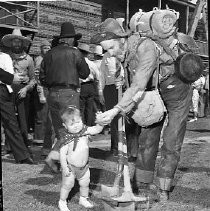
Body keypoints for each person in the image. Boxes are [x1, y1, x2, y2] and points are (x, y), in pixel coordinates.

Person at [92, 9, 204, 202]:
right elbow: (135, 80)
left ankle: (163, 187)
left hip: (176, 88)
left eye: (110, 48)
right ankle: (143, 184)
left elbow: (139, 82)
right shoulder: (125, 51)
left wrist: (116, 109)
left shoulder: (145, 47)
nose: (110, 53)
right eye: (106, 50)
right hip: (154, 90)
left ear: (121, 39)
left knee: (172, 138)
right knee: (148, 136)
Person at [39, 22, 90, 171]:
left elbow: (41, 77)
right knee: (72, 128)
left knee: (61, 131)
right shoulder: (75, 52)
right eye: (74, 38)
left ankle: (58, 159)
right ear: (70, 39)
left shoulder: (49, 54)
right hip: (69, 93)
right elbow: (85, 73)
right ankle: (62, 160)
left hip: (53, 94)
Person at [58, 106, 103, 211]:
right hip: (70, 167)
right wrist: (64, 167)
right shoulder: (67, 139)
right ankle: (62, 201)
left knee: (85, 183)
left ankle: (83, 198)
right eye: (71, 124)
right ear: (65, 125)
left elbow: (97, 129)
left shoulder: (85, 131)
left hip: (84, 167)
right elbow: (62, 155)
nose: (76, 126)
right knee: (68, 185)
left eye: (78, 122)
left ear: (82, 120)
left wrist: (100, 121)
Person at [2, 28, 36, 147]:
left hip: (23, 91)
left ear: (22, 43)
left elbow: (33, 79)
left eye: (19, 41)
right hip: (7, 90)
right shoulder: (5, 58)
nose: (16, 43)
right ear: (11, 43)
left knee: (23, 120)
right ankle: (9, 145)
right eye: (14, 41)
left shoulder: (29, 59)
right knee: (8, 118)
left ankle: (23, 144)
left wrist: (26, 88)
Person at [0, 49, 34, 164]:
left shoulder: (5, 56)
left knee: (11, 123)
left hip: (4, 90)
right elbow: (9, 76)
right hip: (5, 85)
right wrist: (10, 78)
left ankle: (22, 155)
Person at [33, 40, 53, 149]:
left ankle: (44, 137)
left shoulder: (48, 59)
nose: (47, 50)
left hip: (49, 88)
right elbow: (37, 78)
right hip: (42, 89)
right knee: (41, 115)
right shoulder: (39, 59)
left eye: (49, 48)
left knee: (47, 115)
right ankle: (38, 138)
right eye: (45, 48)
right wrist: (41, 93)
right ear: (41, 49)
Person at [78, 43, 100, 126]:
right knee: (89, 108)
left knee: (81, 108)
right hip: (91, 86)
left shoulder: (77, 63)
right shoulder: (92, 64)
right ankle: (89, 126)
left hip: (82, 86)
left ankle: (82, 126)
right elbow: (98, 76)